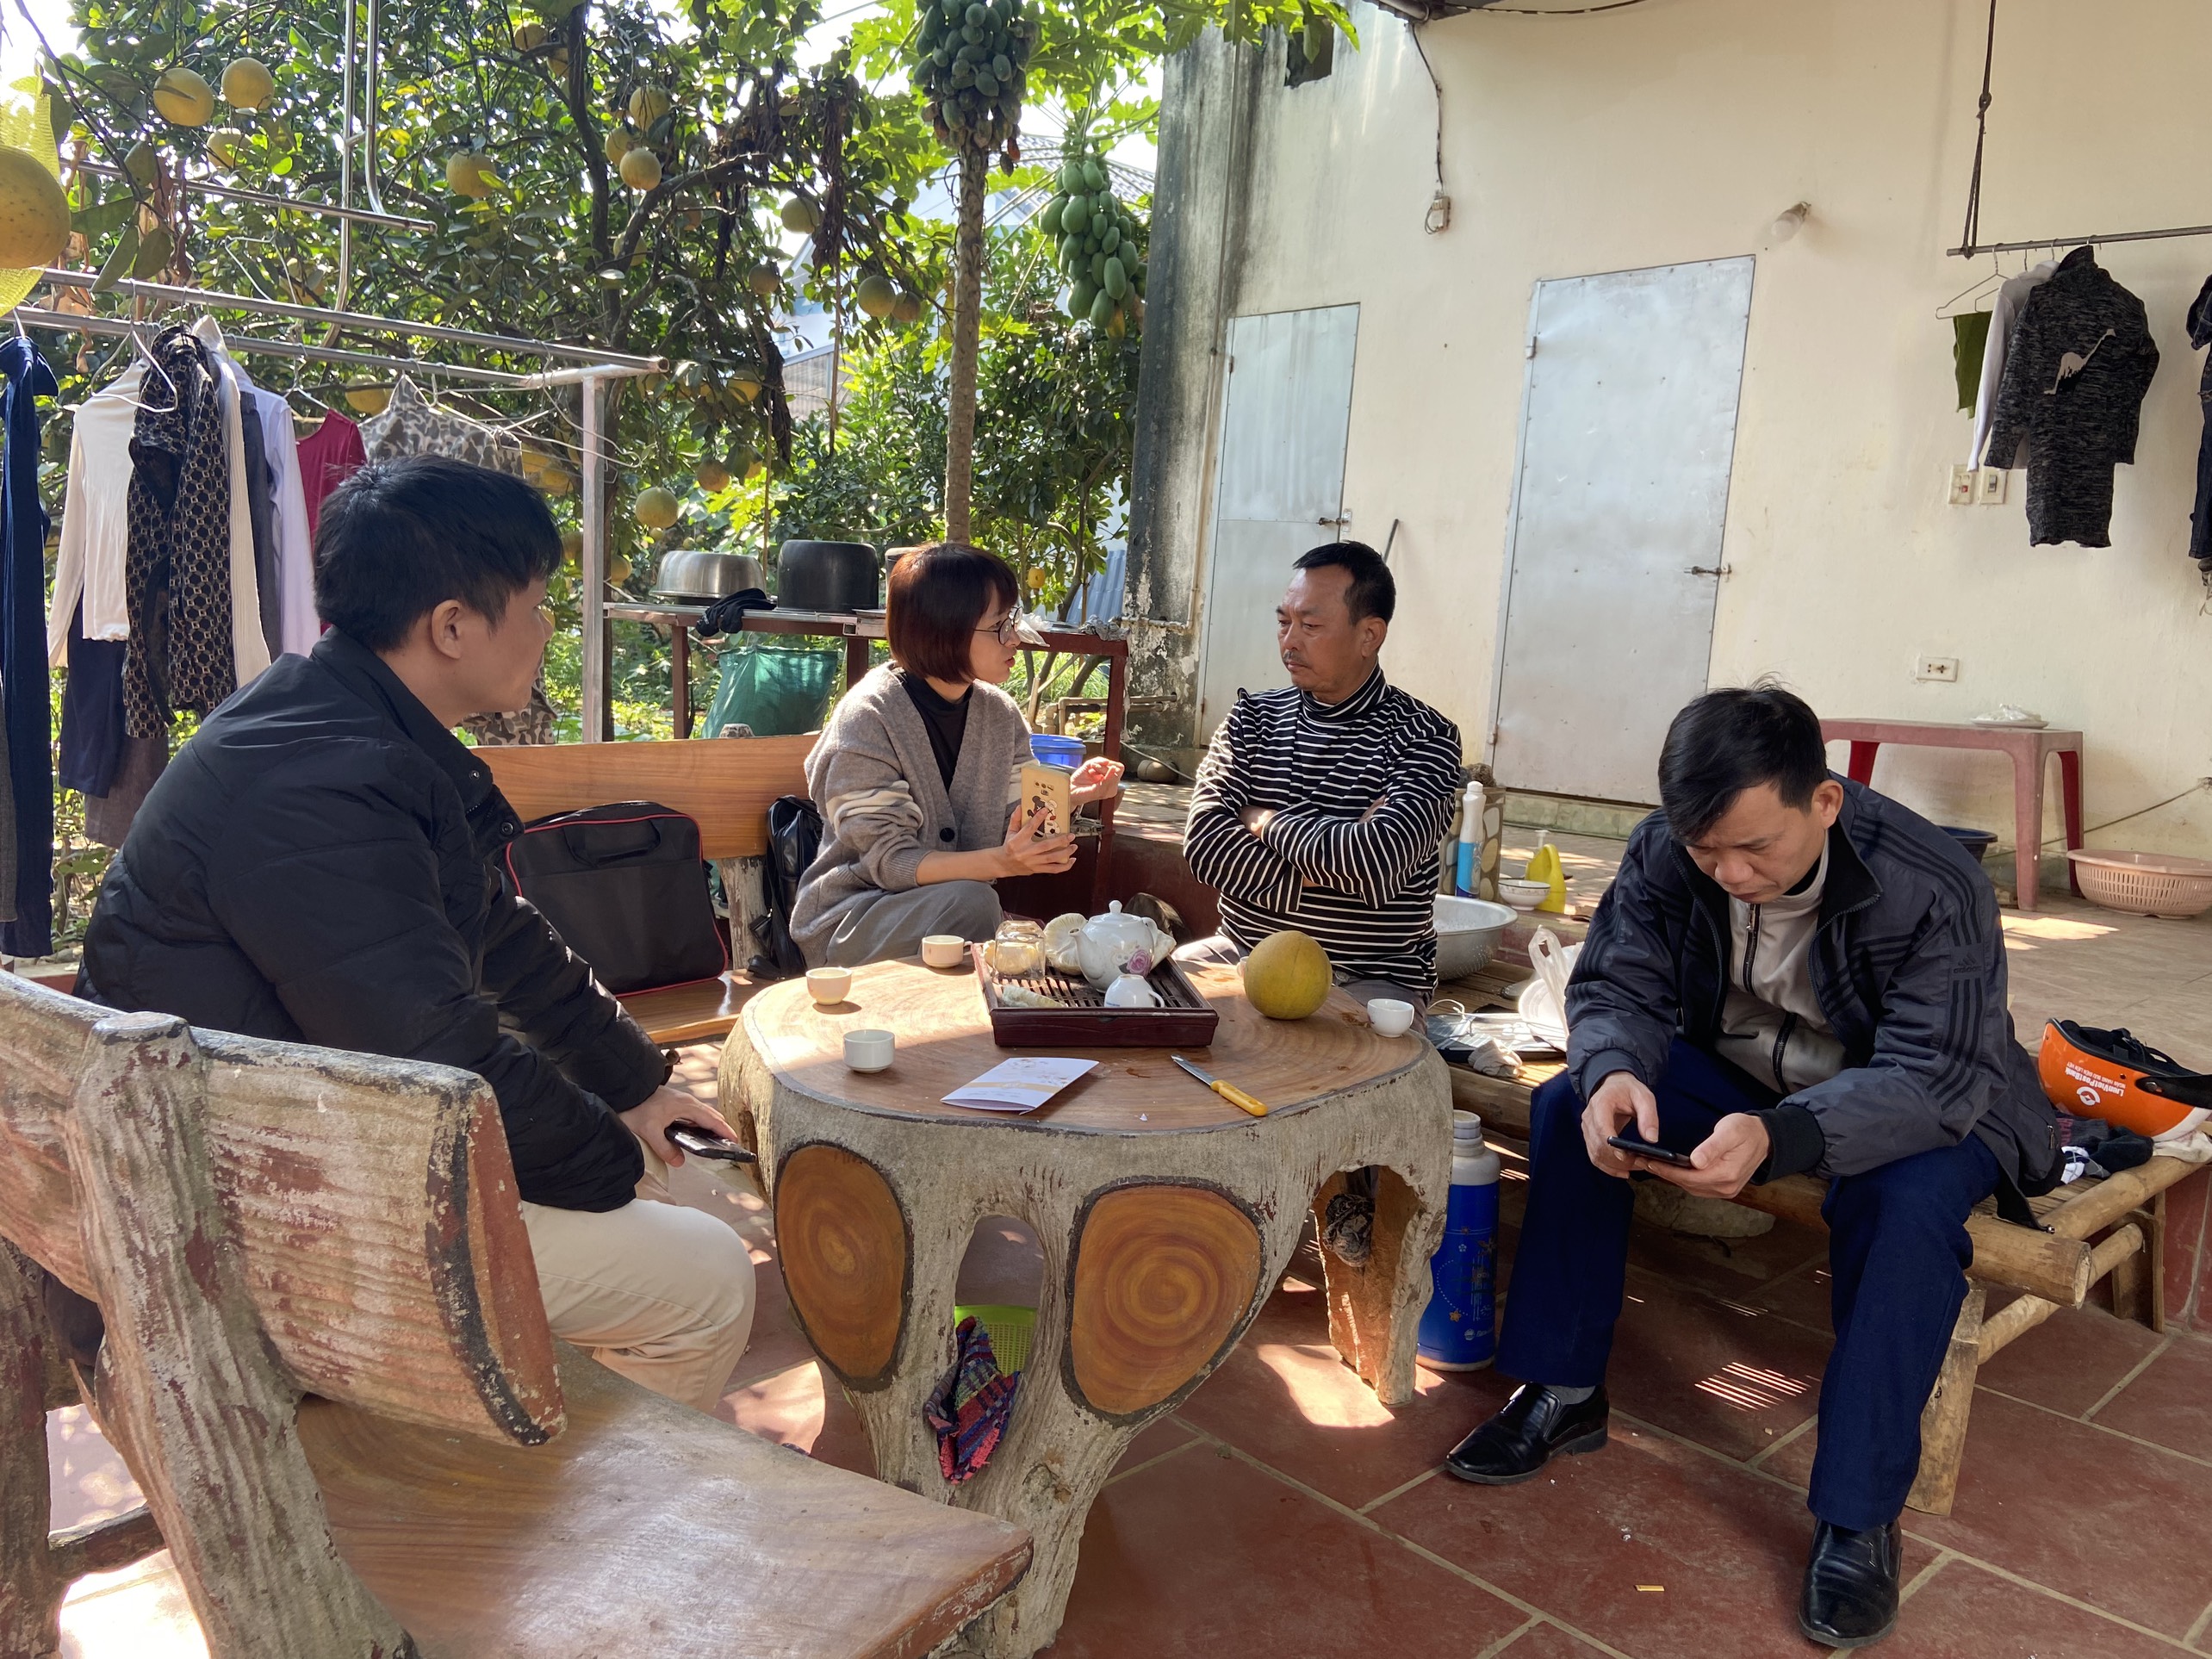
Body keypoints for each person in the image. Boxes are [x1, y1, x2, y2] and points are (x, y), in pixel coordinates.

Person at [77, 457, 755, 1415]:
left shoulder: (341, 726)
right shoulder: (322, 784)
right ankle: (549, 1500)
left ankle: (524, 1452)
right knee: (706, 1277)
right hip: (244, 1223)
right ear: (451, 627)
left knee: (662, 1176)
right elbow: (435, 1060)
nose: (548, 630)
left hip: (290, 1147)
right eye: (537, 607)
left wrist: (637, 1086)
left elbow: (501, 936)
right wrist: (610, 1165)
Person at [1442, 685, 2061, 1651]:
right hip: (1747, 1072)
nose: (1731, 873)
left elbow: (1935, 1076)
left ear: (1825, 801)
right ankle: (1563, 1392)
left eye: (1755, 848)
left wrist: (1787, 1137)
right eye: (1707, 851)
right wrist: (1613, 1069)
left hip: (1923, 1098)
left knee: (1904, 1211)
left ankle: (1858, 1516)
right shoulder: (1667, 848)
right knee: (1572, 1109)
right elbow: (1618, 983)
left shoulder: (1933, 884)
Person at [1178, 540, 1463, 1263]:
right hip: (1240, 953)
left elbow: (1379, 861)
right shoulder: (1253, 718)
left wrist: (1266, 821)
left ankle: (1345, 1196)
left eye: (1311, 625)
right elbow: (1203, 844)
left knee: (1352, 1060)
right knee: (1148, 1004)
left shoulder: (1426, 738)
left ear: (1370, 634)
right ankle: (1181, 1201)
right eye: (1284, 621)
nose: (1289, 640)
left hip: (1368, 973)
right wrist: (1321, 864)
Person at [792, 540, 1122, 967]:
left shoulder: (999, 713)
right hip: (853, 920)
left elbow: (1010, 821)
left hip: (947, 914)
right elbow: (892, 863)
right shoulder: (868, 718)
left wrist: (1070, 795)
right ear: (943, 629)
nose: (1015, 638)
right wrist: (1002, 863)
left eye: (1013, 621)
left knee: (992, 915)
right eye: (999, 625)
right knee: (977, 905)